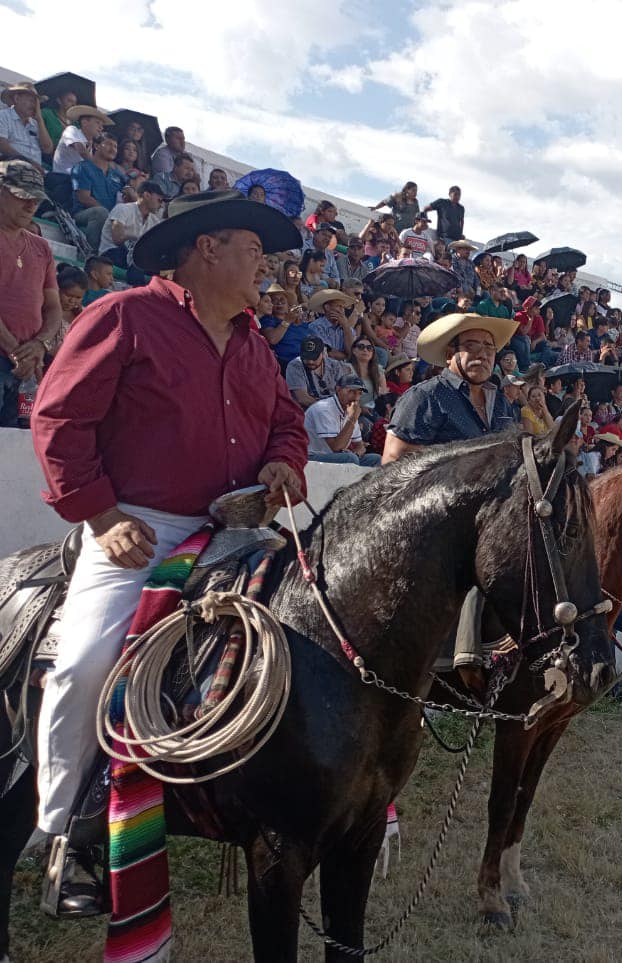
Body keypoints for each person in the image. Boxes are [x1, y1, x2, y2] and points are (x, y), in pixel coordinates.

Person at [30, 189, 307, 914]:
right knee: (88, 659)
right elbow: (59, 419)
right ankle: (68, 832)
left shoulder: (252, 342)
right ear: (206, 248)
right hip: (140, 525)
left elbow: (286, 423)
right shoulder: (122, 316)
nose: (265, 268)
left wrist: (283, 463)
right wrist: (102, 514)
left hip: (238, 524)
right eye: (254, 250)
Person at [382, 311, 519, 461]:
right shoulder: (424, 397)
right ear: (449, 355)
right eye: (471, 346)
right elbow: (393, 466)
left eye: (489, 347)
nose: (483, 355)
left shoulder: (501, 402)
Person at [0, 161, 61, 427]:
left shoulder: (41, 247)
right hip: (15, 360)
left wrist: (40, 345)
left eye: (36, 199)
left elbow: (53, 307)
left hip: (28, 366)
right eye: (23, 196)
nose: (31, 205)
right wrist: (17, 351)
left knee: (22, 443)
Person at [304, 372, 382, 466]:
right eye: (351, 391)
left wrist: (356, 453)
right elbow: (336, 447)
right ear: (338, 389)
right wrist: (352, 418)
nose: (356, 398)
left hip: (335, 457)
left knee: (376, 459)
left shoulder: (349, 409)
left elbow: (360, 446)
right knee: (350, 459)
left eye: (359, 393)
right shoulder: (324, 408)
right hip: (311, 457)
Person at [286, 335, 352, 408]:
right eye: (306, 357)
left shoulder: (335, 366)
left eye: (314, 357)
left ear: (323, 353)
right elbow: (303, 398)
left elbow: (345, 393)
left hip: (335, 410)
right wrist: (329, 409)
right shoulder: (295, 366)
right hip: (309, 412)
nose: (310, 361)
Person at [0, 82, 53, 166]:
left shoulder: (35, 123)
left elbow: (47, 149)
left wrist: (40, 120)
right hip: (11, 168)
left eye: (36, 102)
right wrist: (29, 163)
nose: (34, 105)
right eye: (31, 101)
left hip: (35, 172)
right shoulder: (3, 116)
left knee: (63, 178)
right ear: (17, 99)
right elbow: (2, 145)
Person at [258, 283, 308, 366]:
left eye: (282, 299)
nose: (279, 302)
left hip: (307, 360)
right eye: (274, 300)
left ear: (288, 305)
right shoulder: (268, 320)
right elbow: (272, 339)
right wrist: (287, 321)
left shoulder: (299, 321)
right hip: (287, 364)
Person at [51, 105, 111, 174]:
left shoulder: (90, 143)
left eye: (102, 125)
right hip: (61, 178)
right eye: (97, 123)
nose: (101, 128)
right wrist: (98, 169)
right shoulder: (72, 130)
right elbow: (81, 150)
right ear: (84, 122)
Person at [307, 288, 360, 361]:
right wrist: (348, 357)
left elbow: (353, 352)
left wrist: (346, 326)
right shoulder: (316, 327)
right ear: (327, 307)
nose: (342, 310)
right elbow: (328, 353)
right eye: (339, 306)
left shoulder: (348, 328)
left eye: (343, 307)